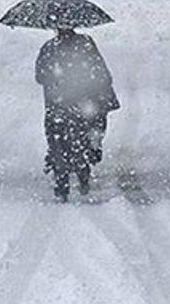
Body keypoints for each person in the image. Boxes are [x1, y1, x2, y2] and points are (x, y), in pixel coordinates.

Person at [36, 27, 119, 201]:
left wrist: (57, 79)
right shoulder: (86, 44)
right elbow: (101, 73)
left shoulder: (49, 47)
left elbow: (40, 76)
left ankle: (62, 183)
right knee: (80, 141)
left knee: (58, 143)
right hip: (81, 105)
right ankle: (82, 174)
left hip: (58, 106)